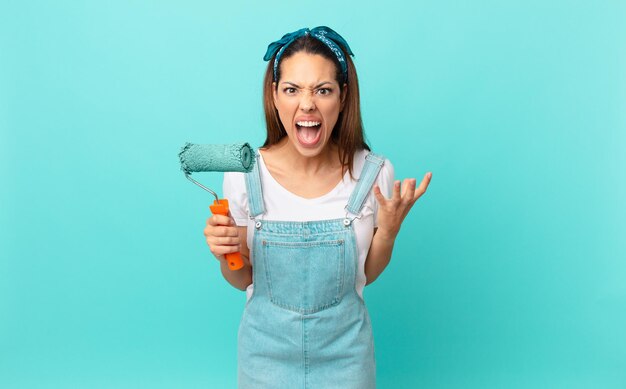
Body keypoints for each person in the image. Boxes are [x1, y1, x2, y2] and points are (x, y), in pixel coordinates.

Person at [203, 26, 432, 389]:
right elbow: (243, 278)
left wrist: (388, 231)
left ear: (342, 97)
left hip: (347, 355)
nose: (307, 104)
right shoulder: (244, 175)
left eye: (322, 90)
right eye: (292, 89)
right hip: (264, 356)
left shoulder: (374, 173)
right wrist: (224, 253)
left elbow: (366, 275)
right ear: (274, 96)